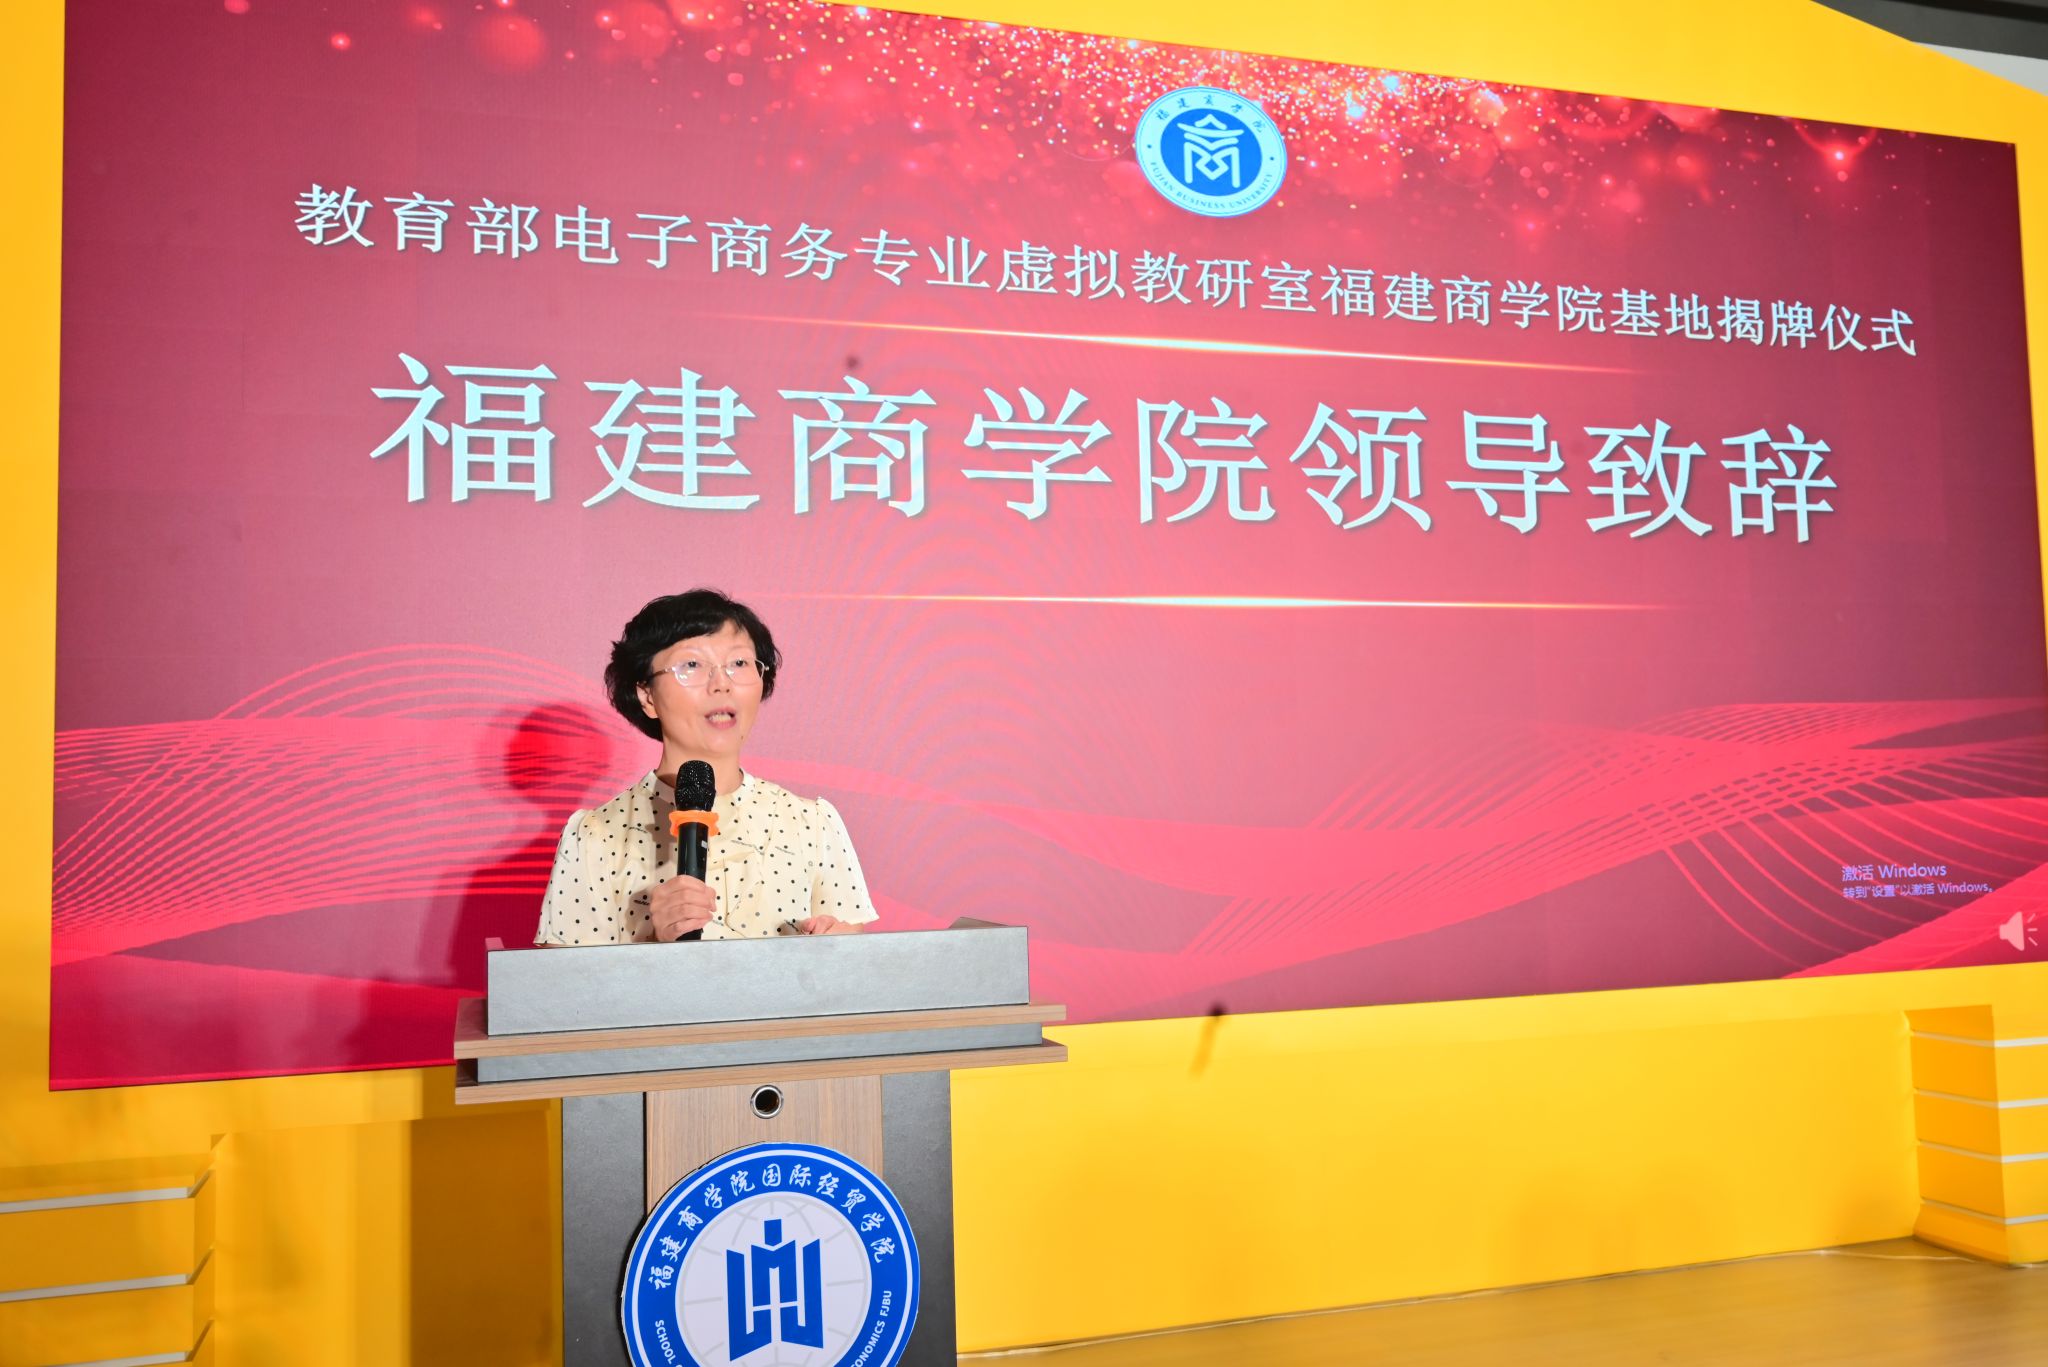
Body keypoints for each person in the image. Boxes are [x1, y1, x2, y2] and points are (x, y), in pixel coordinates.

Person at [533, 589, 877, 945]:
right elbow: (567, 980)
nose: (722, 684)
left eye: (739, 663)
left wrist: (833, 952)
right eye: (692, 665)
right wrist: (653, 944)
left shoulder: (812, 824)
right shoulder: (594, 836)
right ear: (647, 696)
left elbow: (855, 966)